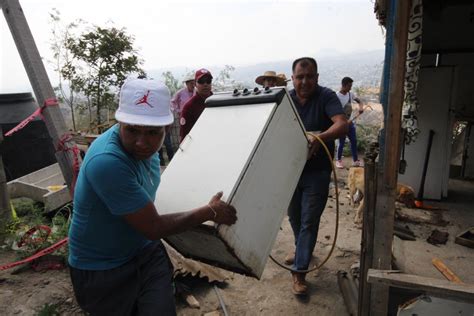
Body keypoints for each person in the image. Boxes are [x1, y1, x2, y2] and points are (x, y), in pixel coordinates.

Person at [68, 78, 237, 315]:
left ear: (166, 129)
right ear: (120, 124)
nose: (141, 142)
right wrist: (210, 212)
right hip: (103, 270)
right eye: (132, 130)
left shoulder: (148, 152)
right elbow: (153, 227)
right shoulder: (107, 162)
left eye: (152, 132)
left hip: (145, 252)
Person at [286, 57, 348, 296]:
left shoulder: (326, 97)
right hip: (290, 171)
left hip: (318, 172)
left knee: (309, 221)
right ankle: (303, 250)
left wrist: (320, 137)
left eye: (309, 76)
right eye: (299, 77)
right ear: (292, 79)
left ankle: (299, 271)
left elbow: (341, 124)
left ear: (317, 78)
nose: (304, 81)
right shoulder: (287, 100)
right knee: (294, 218)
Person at [335, 76, 364, 168]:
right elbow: (335, 112)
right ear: (344, 85)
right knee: (342, 142)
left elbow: (360, 101)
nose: (351, 88)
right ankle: (338, 160)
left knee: (353, 141)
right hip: (341, 124)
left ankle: (355, 161)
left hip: (350, 123)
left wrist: (360, 108)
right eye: (349, 86)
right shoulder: (336, 96)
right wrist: (343, 122)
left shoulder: (350, 94)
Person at [179, 68, 213, 141]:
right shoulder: (189, 107)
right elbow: (184, 136)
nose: (205, 84)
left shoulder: (217, 102)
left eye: (208, 81)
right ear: (195, 84)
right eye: (201, 81)